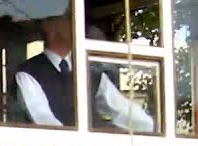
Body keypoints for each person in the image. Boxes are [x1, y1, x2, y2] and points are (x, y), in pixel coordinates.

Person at [12, 16, 156, 133]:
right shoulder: (28, 73)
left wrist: (150, 130)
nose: (75, 23)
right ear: (49, 26)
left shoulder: (90, 71)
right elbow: (46, 122)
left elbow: (121, 108)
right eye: (67, 18)